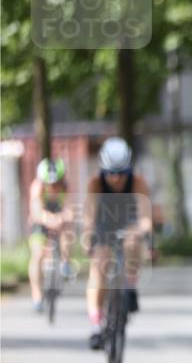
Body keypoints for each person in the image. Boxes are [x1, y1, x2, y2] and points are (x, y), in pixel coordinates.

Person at [84, 137, 153, 350]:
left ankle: (130, 287)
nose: (115, 178)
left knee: (133, 242)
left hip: (128, 224)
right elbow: (89, 217)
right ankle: (97, 325)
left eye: (121, 173)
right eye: (110, 173)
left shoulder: (138, 182)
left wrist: (143, 232)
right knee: (99, 269)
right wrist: (88, 238)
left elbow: (145, 217)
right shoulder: (96, 183)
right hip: (104, 226)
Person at [27, 158, 73, 312]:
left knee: (68, 233)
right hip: (41, 223)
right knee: (37, 255)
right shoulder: (37, 187)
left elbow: (70, 209)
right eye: (50, 184)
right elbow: (36, 211)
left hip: (59, 221)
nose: (53, 187)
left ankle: (65, 262)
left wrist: (64, 218)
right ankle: (37, 295)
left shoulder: (65, 187)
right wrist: (51, 220)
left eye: (56, 183)